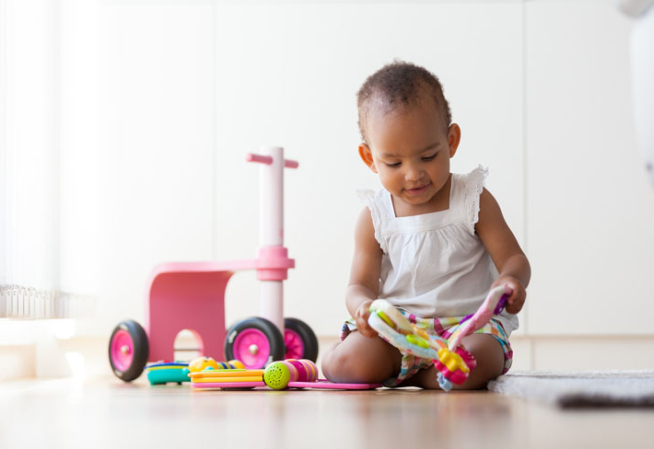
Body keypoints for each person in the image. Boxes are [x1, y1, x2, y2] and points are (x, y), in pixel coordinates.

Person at [320, 61, 531, 389]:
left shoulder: (472, 199)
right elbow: (358, 285)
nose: (413, 173)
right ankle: (353, 358)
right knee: (353, 364)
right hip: (401, 330)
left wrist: (511, 281)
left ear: (451, 141)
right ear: (369, 159)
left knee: (476, 360)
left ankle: (422, 374)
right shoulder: (375, 215)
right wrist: (363, 308)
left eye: (428, 156)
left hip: (468, 326)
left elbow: (514, 259)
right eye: (394, 163)